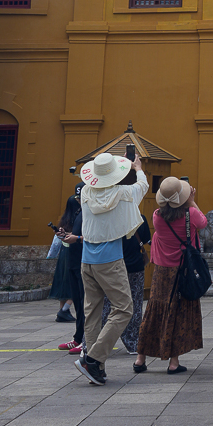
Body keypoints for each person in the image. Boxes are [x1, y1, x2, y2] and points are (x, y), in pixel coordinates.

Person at [77, 151, 148, 385]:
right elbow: (142, 187)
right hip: (109, 259)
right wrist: (137, 168)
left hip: (87, 258)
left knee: (93, 312)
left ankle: (96, 369)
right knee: (124, 308)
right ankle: (93, 359)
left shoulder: (85, 192)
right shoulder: (121, 193)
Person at [135, 177, 205, 373]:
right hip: (182, 271)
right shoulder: (190, 214)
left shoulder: (157, 215)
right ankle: (173, 362)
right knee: (177, 312)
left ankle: (140, 358)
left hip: (161, 271)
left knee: (153, 311)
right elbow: (203, 222)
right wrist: (192, 202)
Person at [104, 198, 151, 356]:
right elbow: (146, 240)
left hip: (114, 266)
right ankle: (132, 342)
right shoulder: (140, 219)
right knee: (135, 305)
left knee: (107, 305)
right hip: (135, 267)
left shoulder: (111, 220)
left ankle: (99, 342)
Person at [57, 183, 85, 355]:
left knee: (85, 303)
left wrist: (78, 238)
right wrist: (65, 235)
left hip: (85, 262)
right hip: (74, 261)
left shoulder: (93, 213)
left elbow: (98, 237)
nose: (79, 200)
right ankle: (78, 337)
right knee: (77, 302)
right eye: (77, 198)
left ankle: (86, 340)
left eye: (81, 197)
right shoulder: (79, 212)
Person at [49, 194, 78, 323]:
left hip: (63, 252)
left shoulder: (64, 220)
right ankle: (64, 310)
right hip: (73, 251)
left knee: (64, 282)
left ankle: (63, 311)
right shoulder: (78, 219)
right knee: (75, 282)